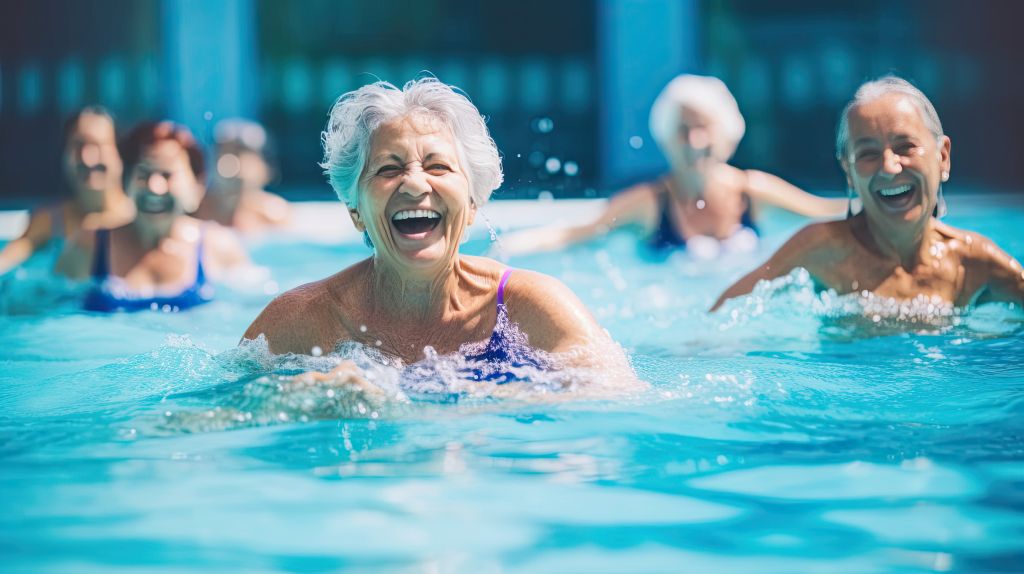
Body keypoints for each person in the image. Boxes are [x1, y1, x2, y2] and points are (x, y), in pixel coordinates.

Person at [243, 78, 632, 385]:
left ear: (473, 204)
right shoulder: (302, 320)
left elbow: (615, 399)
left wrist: (456, 398)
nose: (414, 185)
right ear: (355, 211)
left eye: (438, 167)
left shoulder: (533, 309)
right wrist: (300, 402)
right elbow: (218, 416)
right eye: (388, 169)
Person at [712, 76, 1024, 311]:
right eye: (868, 154)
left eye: (905, 148)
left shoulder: (975, 263)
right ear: (848, 171)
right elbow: (719, 317)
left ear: (942, 157)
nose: (889, 167)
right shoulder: (821, 249)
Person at [495, 74, 846, 259]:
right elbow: (578, 233)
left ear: (727, 135)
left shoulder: (752, 191)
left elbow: (828, 213)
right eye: (683, 131)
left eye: (704, 129)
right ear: (665, 140)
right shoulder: (650, 202)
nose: (694, 142)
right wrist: (511, 246)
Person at [83, 121, 247, 312]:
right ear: (126, 181)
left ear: (197, 186)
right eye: (143, 173)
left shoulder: (220, 249)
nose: (154, 187)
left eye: (167, 175)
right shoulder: (90, 247)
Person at [0, 107, 135, 279]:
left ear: (119, 152)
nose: (88, 158)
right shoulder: (48, 222)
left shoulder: (138, 220)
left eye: (98, 145)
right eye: (78, 146)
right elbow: (4, 265)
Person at [194, 119, 290, 233]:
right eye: (222, 155)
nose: (229, 166)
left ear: (265, 168)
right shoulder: (200, 209)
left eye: (239, 156)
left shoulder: (273, 214)